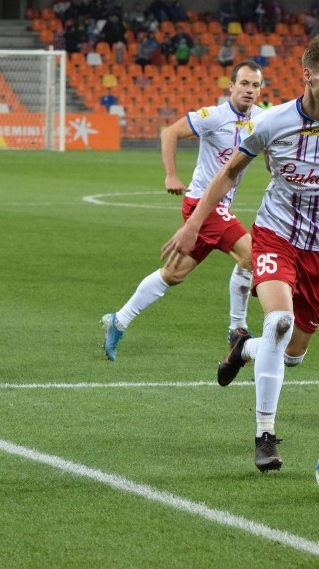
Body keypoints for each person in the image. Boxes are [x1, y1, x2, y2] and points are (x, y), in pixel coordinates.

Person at [160, 34, 319, 472]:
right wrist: (191, 225)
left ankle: (244, 350)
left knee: (292, 353)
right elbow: (228, 174)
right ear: (307, 75)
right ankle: (265, 434)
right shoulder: (271, 122)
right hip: (275, 234)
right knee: (279, 321)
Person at [101, 61, 265, 361]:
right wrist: (171, 175)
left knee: (173, 274)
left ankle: (118, 320)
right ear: (231, 86)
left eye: (255, 85)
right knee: (251, 256)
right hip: (202, 203)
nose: (249, 90)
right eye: (244, 83)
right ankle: (237, 329)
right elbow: (169, 133)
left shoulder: (262, 118)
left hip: (219, 207)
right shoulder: (214, 116)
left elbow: (269, 147)